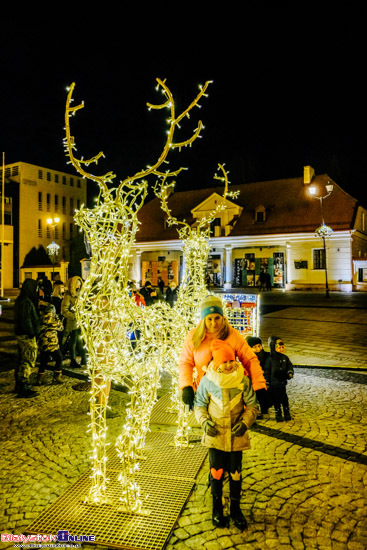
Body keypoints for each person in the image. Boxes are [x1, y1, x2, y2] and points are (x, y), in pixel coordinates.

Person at [195, 339, 259, 529]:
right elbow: (199, 405)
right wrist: (205, 422)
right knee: (216, 473)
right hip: (215, 437)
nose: (229, 365)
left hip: (236, 437)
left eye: (232, 360)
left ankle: (235, 510)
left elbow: (253, 406)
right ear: (216, 363)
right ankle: (217, 510)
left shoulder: (242, 380)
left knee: (235, 473)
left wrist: (245, 422)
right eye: (224, 361)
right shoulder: (207, 381)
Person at [178, 295, 267, 412]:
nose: (214, 324)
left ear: (222, 317)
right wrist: (187, 386)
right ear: (203, 319)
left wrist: (259, 386)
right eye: (209, 319)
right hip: (204, 394)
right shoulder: (194, 337)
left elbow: (250, 359)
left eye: (217, 318)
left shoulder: (232, 334)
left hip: (231, 394)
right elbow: (185, 362)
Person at [13, 278, 40, 398]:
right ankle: (23, 385)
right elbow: (26, 320)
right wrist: (32, 333)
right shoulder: (26, 302)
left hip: (22, 333)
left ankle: (20, 384)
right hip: (26, 334)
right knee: (27, 359)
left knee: (22, 358)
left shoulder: (22, 300)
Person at [264, 336, 294, 421]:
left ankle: (286, 411)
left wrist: (290, 372)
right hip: (274, 384)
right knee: (276, 400)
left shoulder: (285, 357)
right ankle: (278, 413)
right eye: (279, 347)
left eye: (282, 347)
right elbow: (267, 371)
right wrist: (267, 382)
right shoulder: (270, 359)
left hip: (282, 383)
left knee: (284, 398)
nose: (281, 349)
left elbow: (289, 365)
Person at [61, 276, 87, 368]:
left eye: (80, 283)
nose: (79, 285)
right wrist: (74, 316)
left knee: (80, 341)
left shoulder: (81, 295)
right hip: (73, 322)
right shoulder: (68, 296)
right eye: (77, 283)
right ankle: (73, 360)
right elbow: (64, 310)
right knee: (74, 342)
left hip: (81, 321)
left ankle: (83, 359)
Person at [37, 303, 64, 385]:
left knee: (43, 361)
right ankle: (57, 376)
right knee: (59, 359)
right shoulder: (54, 319)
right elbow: (61, 328)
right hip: (53, 344)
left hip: (44, 344)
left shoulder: (41, 318)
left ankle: (40, 378)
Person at [245, 336, 270, 418]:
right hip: (252, 379)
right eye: (254, 347)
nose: (258, 348)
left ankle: (264, 411)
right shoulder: (248, 357)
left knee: (262, 395)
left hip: (262, 380)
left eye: (259, 346)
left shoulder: (267, 356)